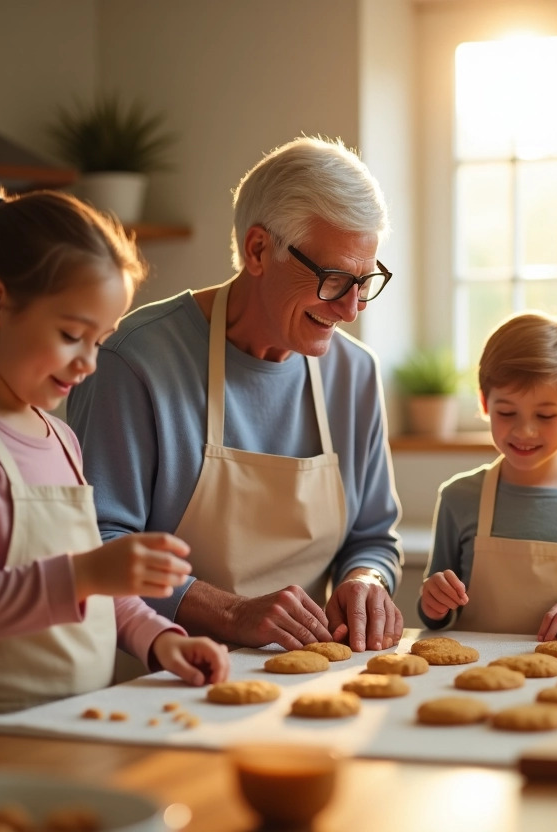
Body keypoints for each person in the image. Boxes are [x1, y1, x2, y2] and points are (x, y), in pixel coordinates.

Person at [0, 186, 230, 749]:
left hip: (74, 727)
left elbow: (97, 587)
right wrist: (84, 575)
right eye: (72, 335)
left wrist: (158, 639)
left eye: (99, 341)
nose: (89, 362)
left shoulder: (62, 439)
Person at [67, 136, 404, 653]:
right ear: (258, 250)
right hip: (158, 683)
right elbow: (99, 545)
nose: (351, 310)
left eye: (365, 281)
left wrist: (367, 582)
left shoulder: (355, 374)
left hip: (305, 683)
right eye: (335, 279)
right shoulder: (135, 362)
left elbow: (373, 537)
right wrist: (230, 613)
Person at [418, 311, 557, 638]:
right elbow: (434, 616)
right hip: (476, 681)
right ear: (484, 404)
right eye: (507, 412)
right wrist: (433, 603)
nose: (524, 430)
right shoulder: (458, 497)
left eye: (545, 414)